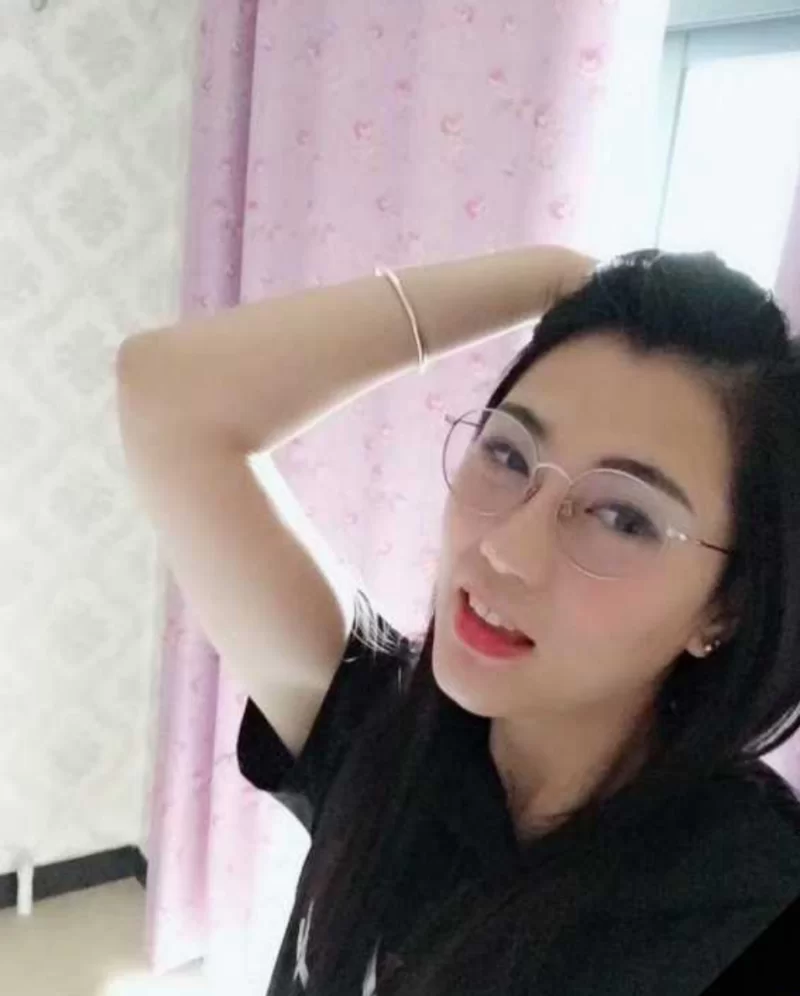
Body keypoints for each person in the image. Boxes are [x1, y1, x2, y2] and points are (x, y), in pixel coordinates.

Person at [116, 246, 800, 996]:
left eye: (623, 518)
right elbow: (167, 399)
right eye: (508, 454)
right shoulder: (383, 722)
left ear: (726, 606)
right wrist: (546, 275)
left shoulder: (735, 905)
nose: (506, 550)